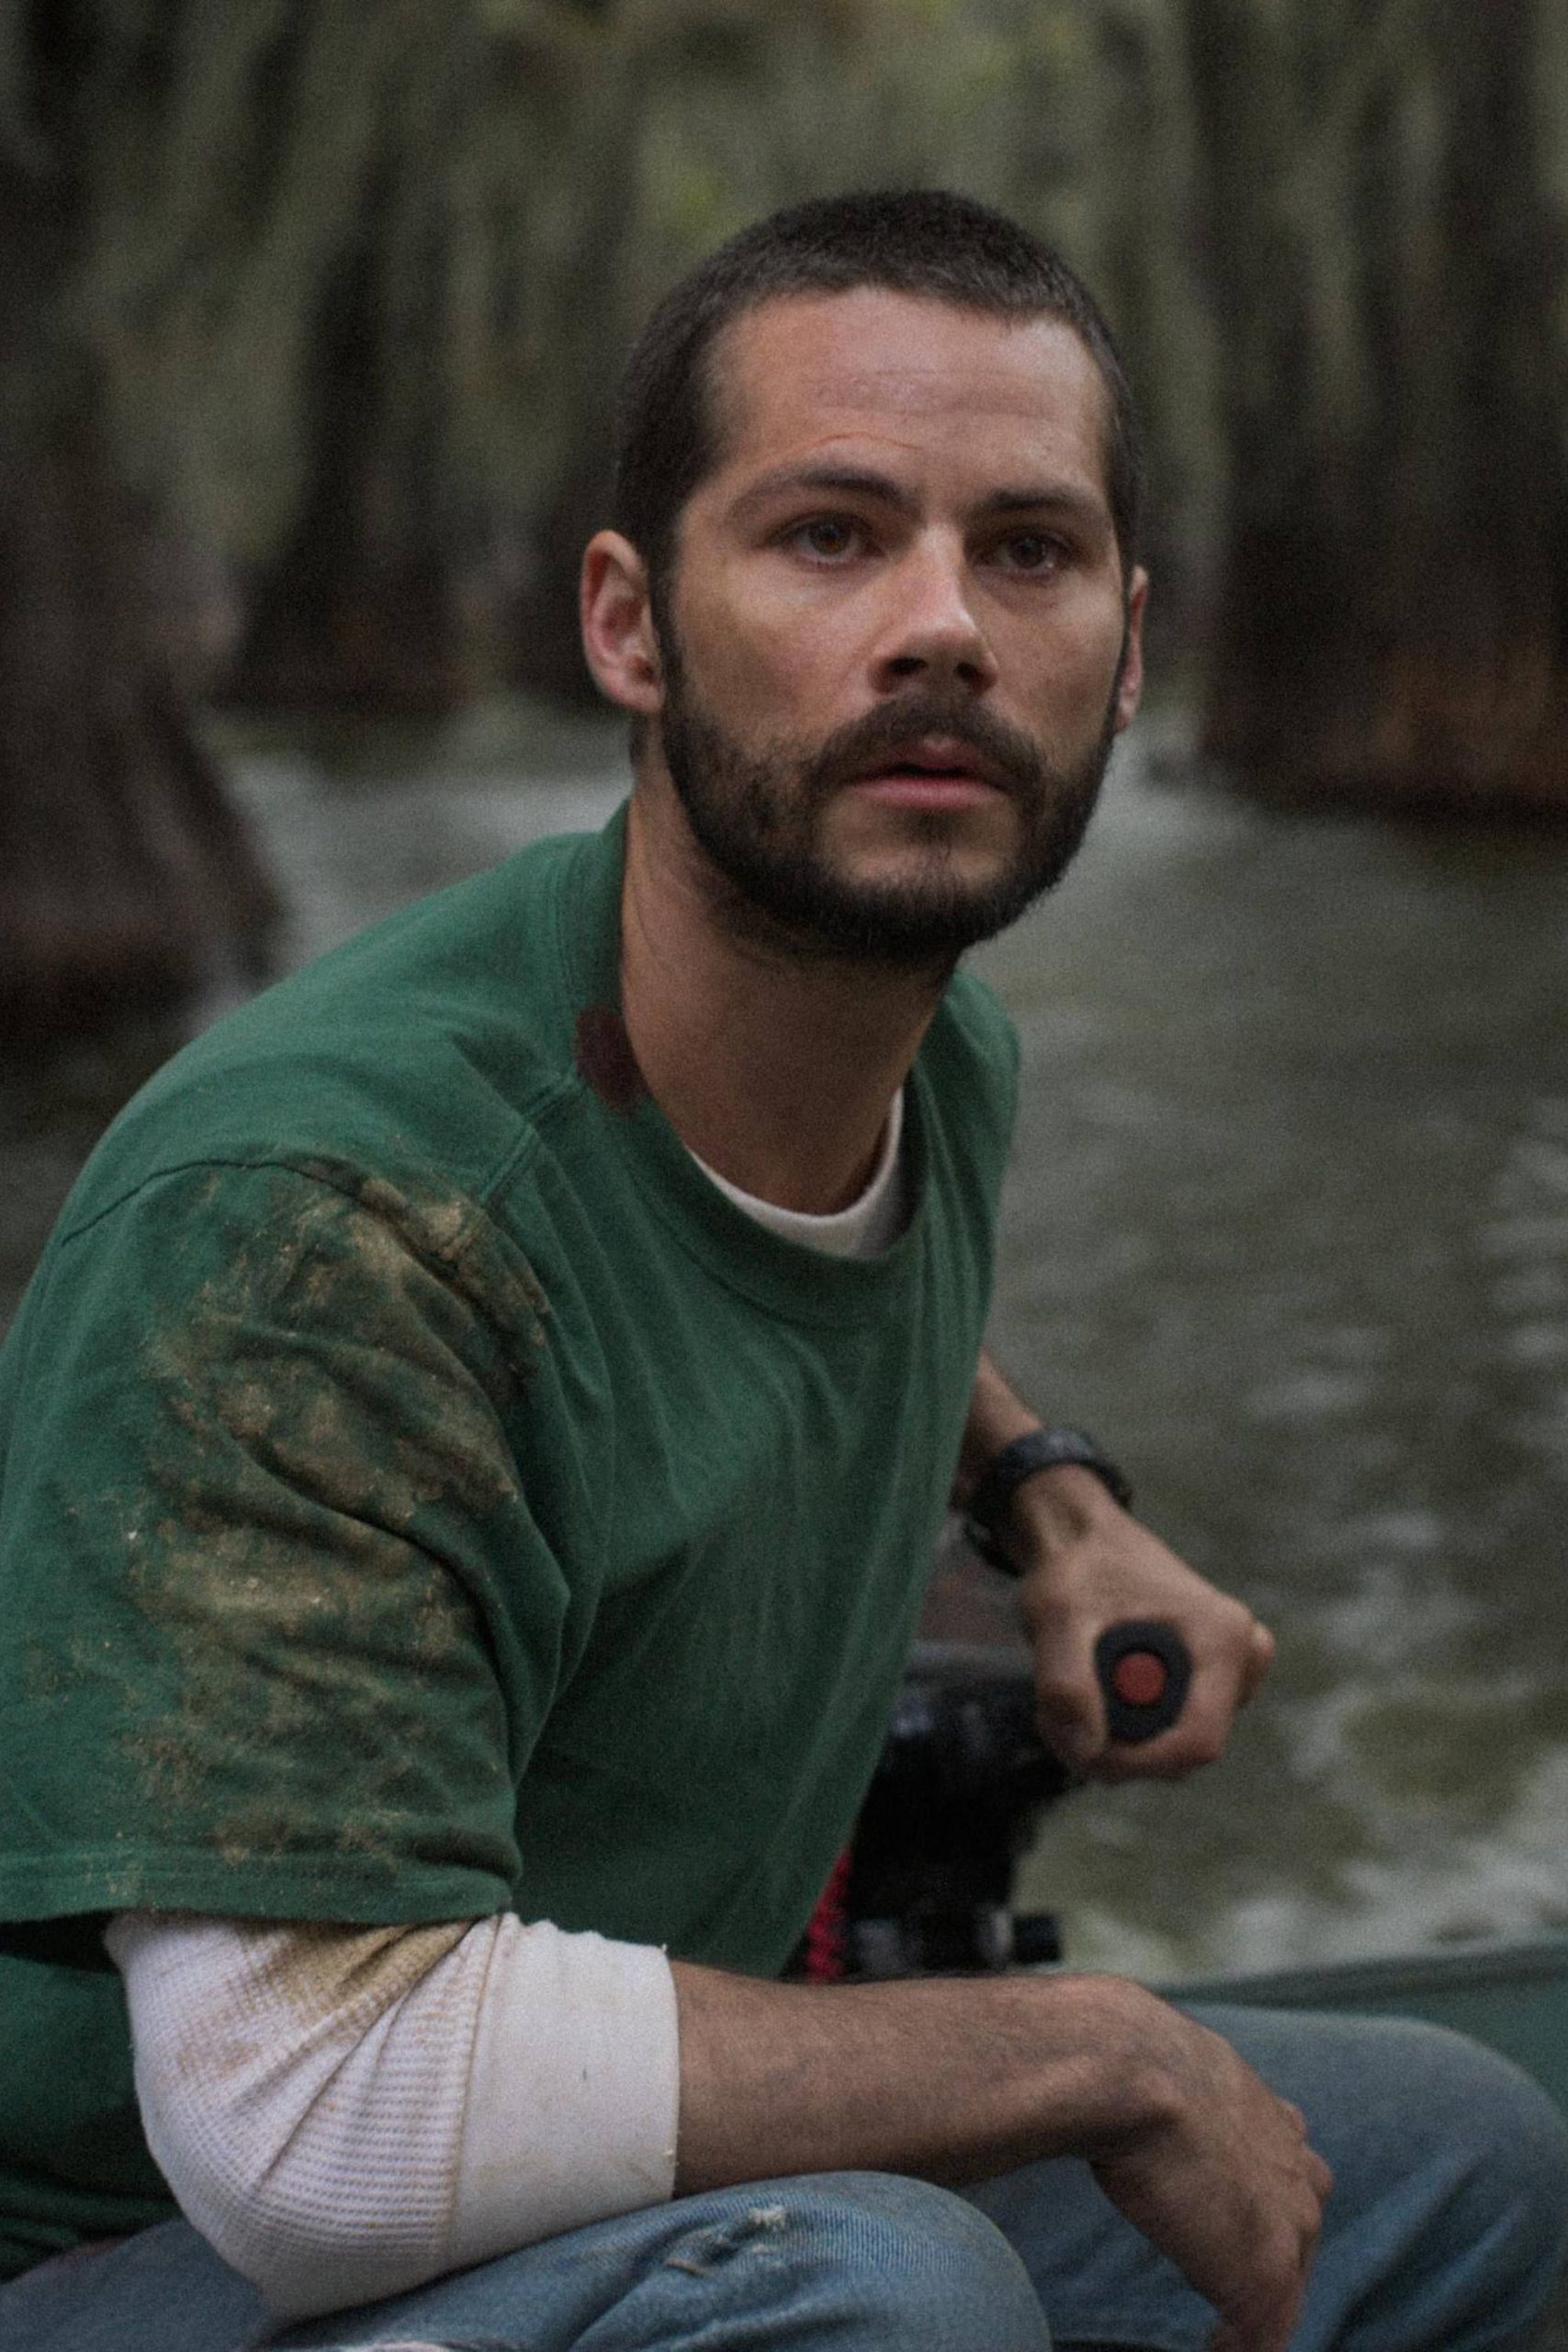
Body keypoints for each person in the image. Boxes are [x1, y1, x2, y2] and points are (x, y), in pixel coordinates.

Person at [0, 189, 1562, 2352]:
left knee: (1459, 2156)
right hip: (112, 2251)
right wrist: (1085, 2045)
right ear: (629, 624)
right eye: (828, 534)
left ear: (1124, 646)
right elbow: (313, 2115)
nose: (937, 624)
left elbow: (779, 1257)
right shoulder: (316, 1216)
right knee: (877, 2288)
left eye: (1022, 549)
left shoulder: (935, 1064)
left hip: (537, 2183)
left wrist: (1050, 1496)